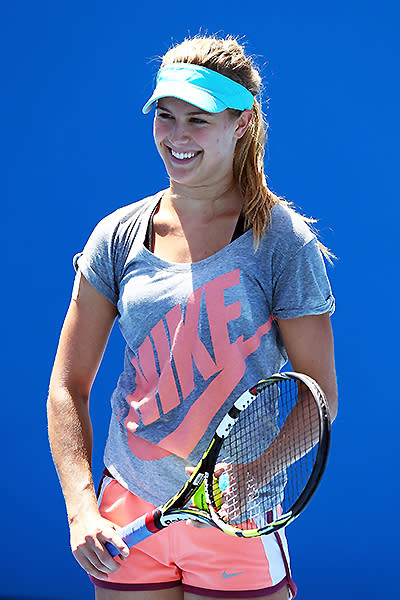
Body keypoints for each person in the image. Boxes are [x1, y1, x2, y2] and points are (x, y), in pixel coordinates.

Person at [47, 34, 337, 600]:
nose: (177, 136)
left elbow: (318, 396)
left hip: (237, 519)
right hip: (125, 513)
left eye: (198, 119)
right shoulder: (117, 236)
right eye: (165, 115)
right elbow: (67, 386)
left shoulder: (282, 243)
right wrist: (83, 508)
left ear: (241, 124)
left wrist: (257, 474)